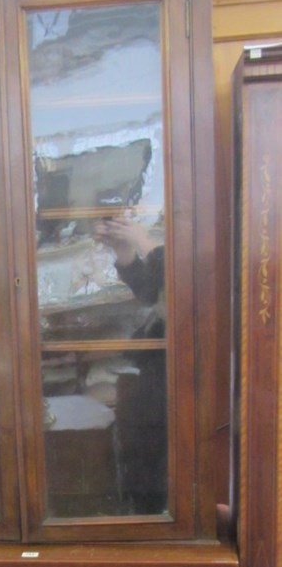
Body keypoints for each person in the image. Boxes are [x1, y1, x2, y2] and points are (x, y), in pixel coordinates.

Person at [93, 212, 167, 515]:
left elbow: (185, 286)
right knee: (139, 430)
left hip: (183, 358)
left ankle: (156, 509)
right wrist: (124, 253)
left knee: (154, 432)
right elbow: (153, 293)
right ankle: (144, 506)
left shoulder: (207, 236)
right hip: (157, 353)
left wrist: (143, 241)